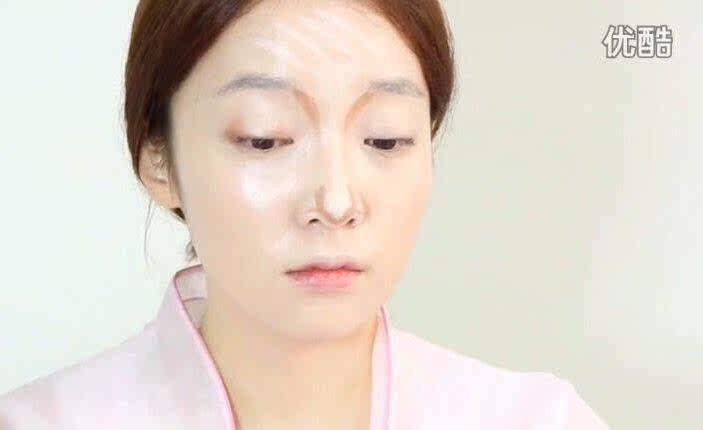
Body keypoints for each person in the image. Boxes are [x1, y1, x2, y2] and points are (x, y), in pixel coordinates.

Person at [0, 0, 610, 428]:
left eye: (386, 139)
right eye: (265, 139)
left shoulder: (537, 420)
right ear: (159, 160)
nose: (336, 203)